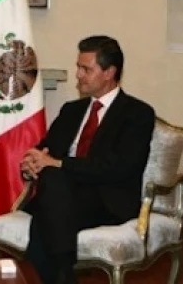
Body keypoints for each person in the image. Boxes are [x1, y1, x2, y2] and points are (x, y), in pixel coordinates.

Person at [20, 35, 156, 284]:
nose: (78, 75)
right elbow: (45, 151)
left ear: (109, 72)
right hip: (63, 195)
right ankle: (64, 274)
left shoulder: (137, 114)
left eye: (86, 69)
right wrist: (32, 164)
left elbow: (119, 168)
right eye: (78, 67)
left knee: (46, 210)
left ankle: (62, 275)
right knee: (52, 184)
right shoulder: (71, 111)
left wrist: (58, 164)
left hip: (107, 200)